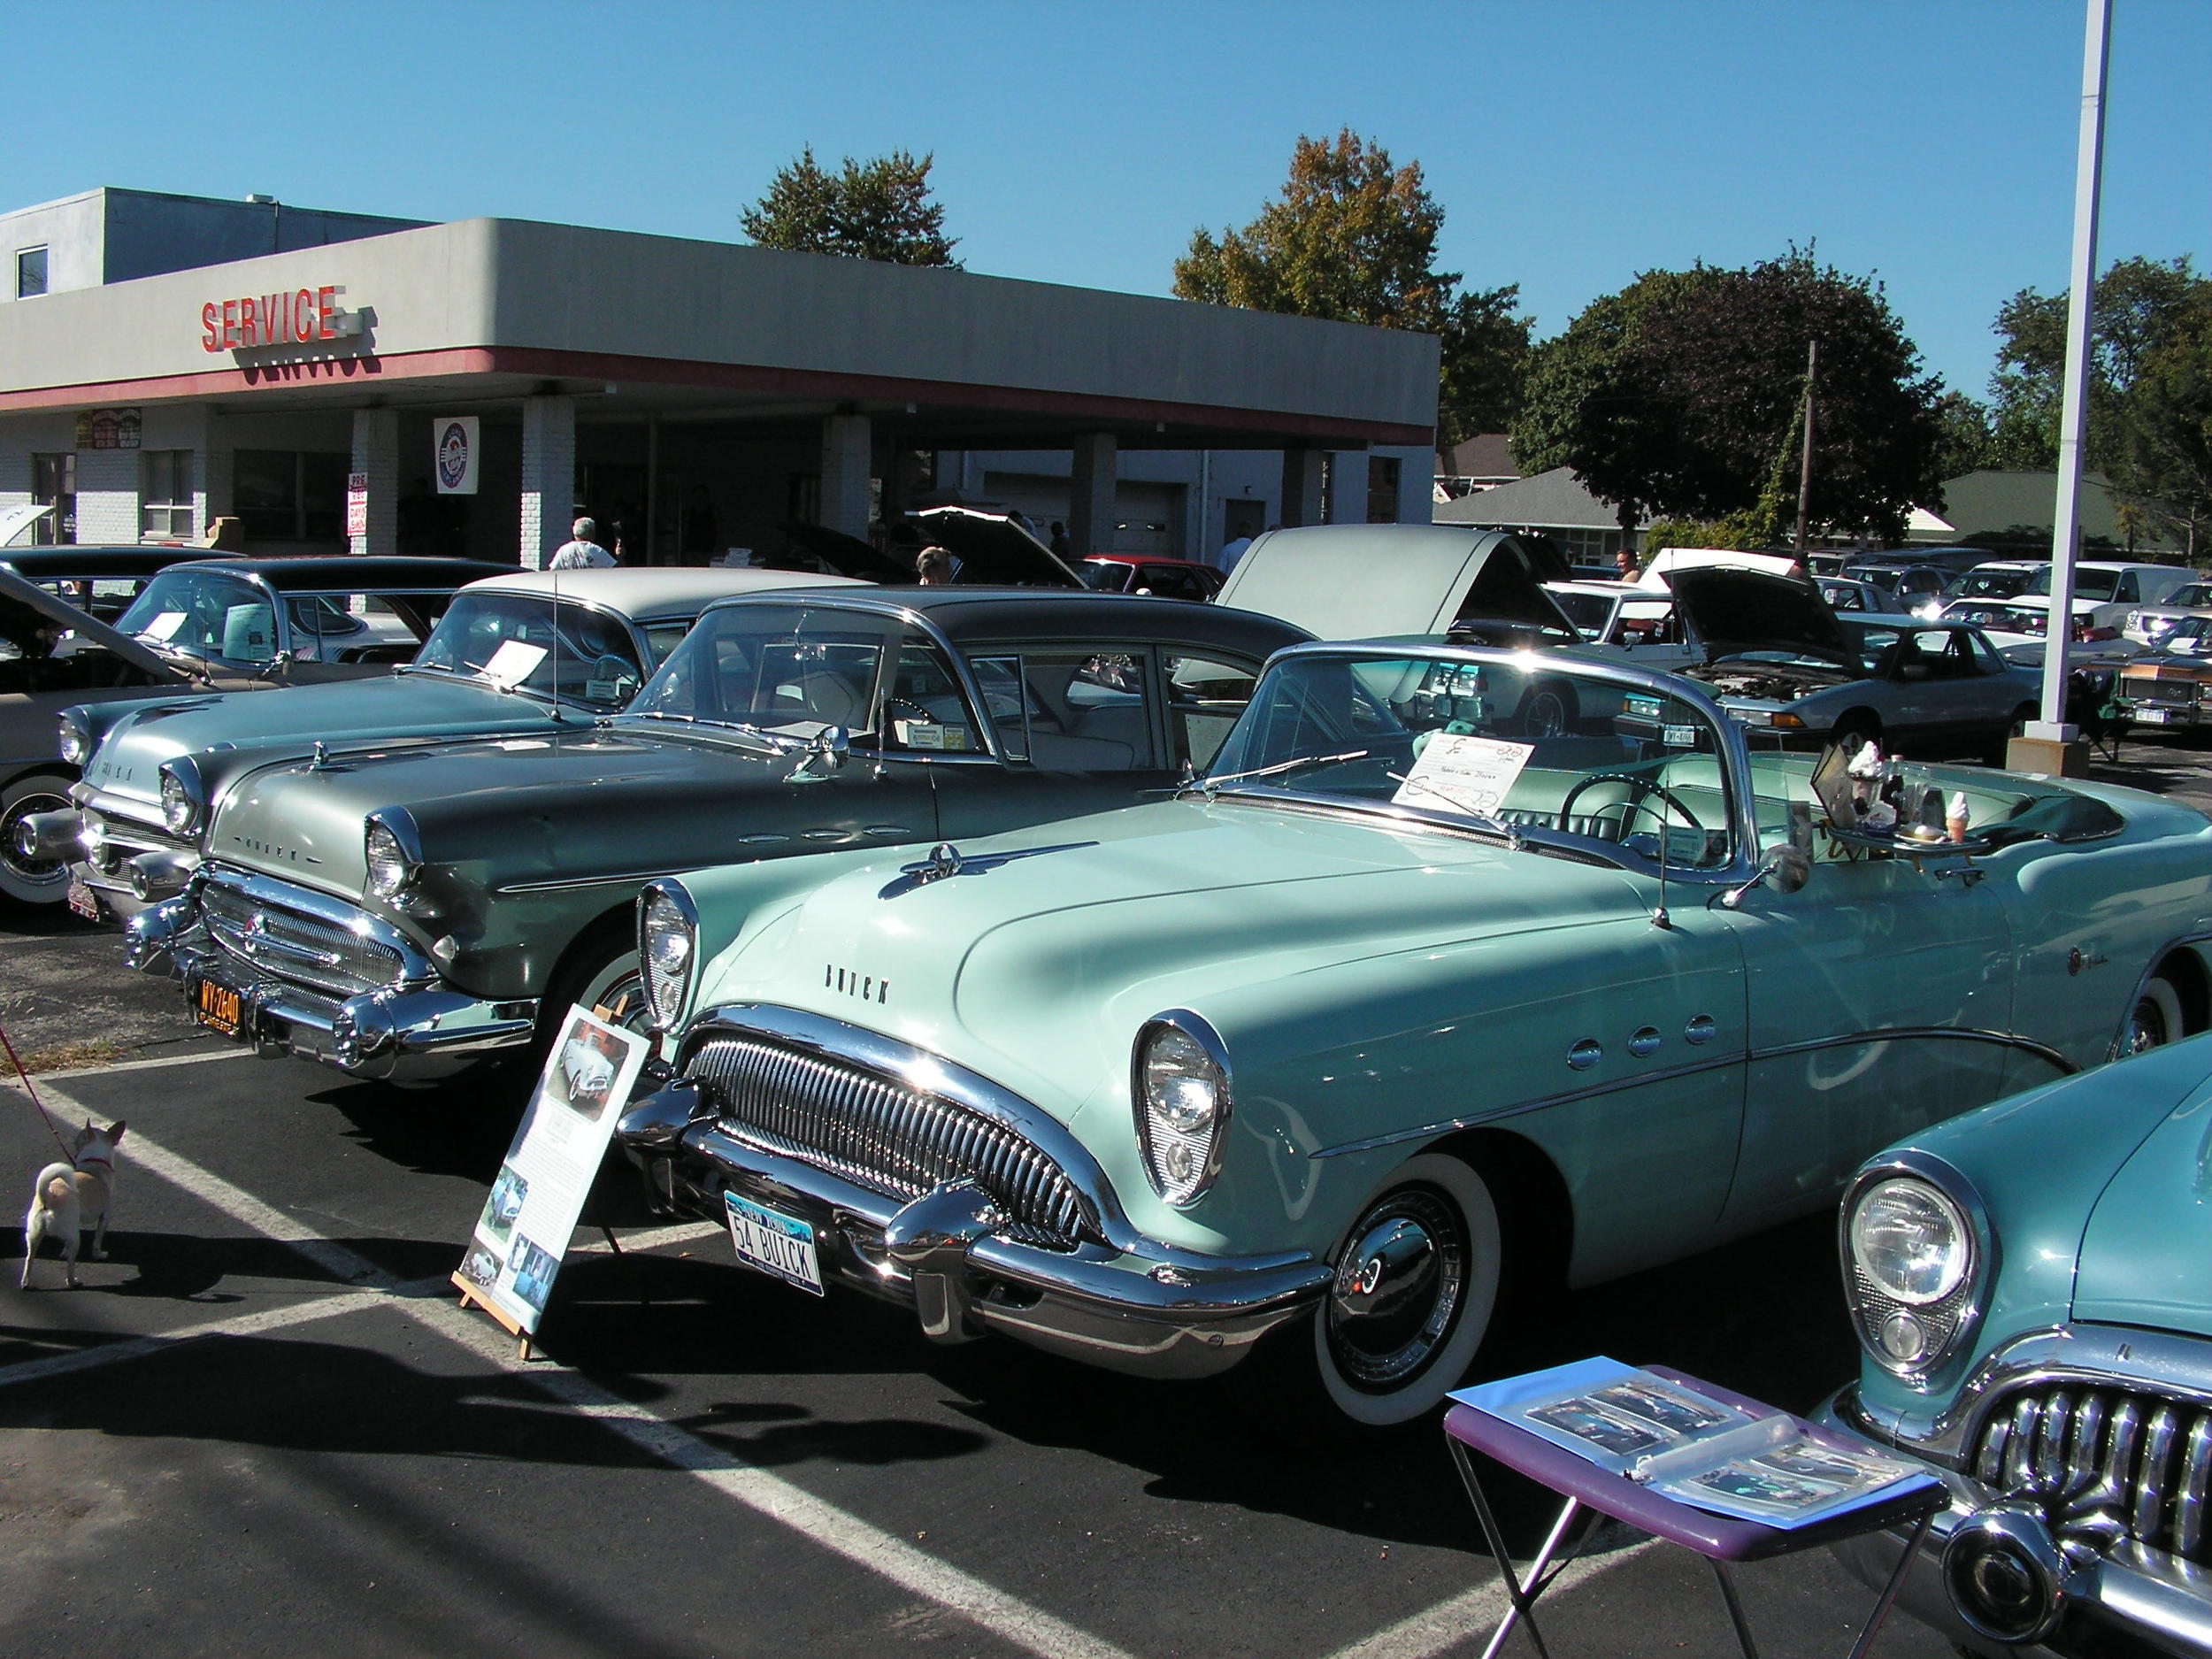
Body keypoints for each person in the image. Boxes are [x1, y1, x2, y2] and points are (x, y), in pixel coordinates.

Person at [549, 517, 615, 569]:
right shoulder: (596, 551)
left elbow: (553, 572)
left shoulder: (563, 551)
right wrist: (620, 556)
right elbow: (616, 570)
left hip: (568, 585)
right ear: (591, 533)